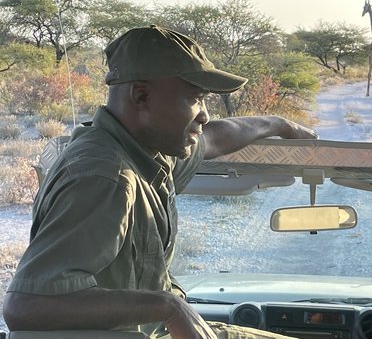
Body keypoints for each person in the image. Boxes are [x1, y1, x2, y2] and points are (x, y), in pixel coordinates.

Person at [3, 25, 318, 338]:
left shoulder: (143, 151)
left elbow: (214, 138)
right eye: (196, 98)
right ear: (141, 96)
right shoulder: (105, 176)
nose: (204, 115)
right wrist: (169, 306)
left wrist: (276, 124)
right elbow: (26, 307)